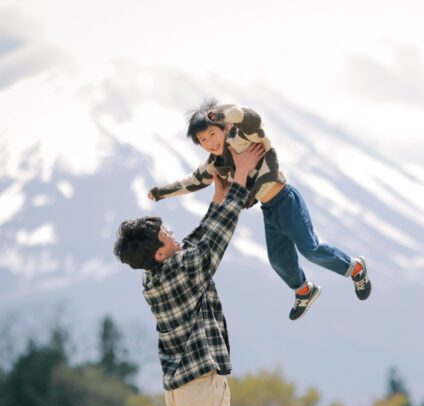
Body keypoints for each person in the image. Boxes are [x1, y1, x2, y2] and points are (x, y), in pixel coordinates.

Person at [113, 143, 266, 406]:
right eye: (166, 237)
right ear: (161, 252)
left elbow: (198, 240)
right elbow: (216, 237)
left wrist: (217, 193)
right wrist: (239, 180)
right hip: (201, 388)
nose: (174, 236)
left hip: (180, 393)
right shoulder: (184, 268)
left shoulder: (158, 275)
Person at [148, 99, 371, 320]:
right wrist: (160, 192)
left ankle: (355, 268)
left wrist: (222, 113)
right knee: (278, 259)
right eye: (202, 140)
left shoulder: (243, 135)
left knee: (310, 249)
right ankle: (304, 291)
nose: (209, 142)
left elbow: (251, 118)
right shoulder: (216, 163)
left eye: (212, 134)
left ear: (224, 127)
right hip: (269, 210)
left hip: (285, 199)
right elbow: (193, 181)